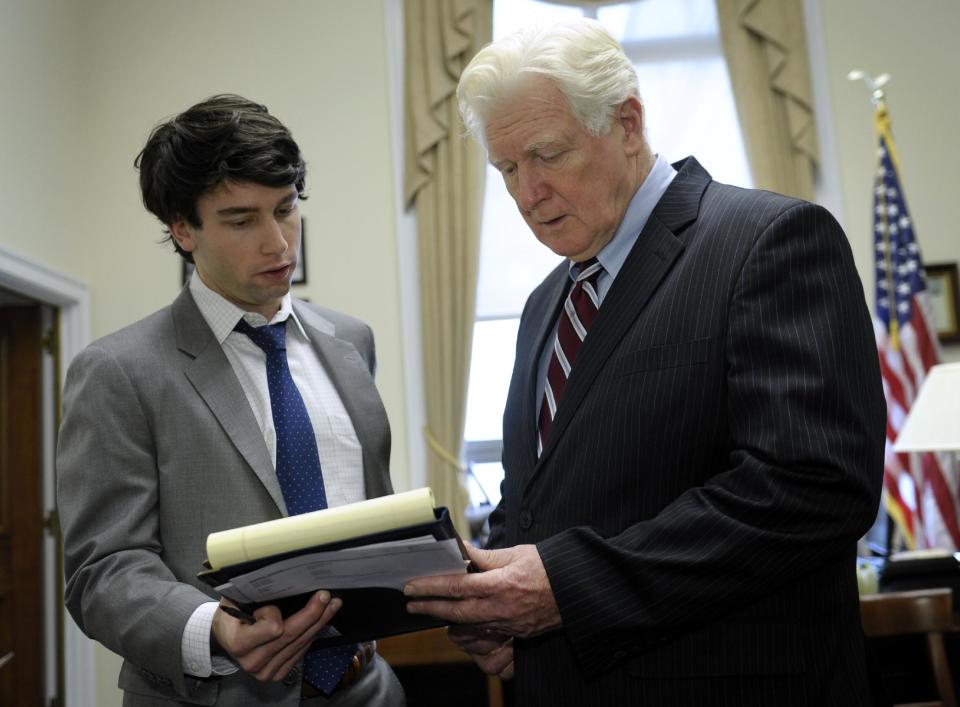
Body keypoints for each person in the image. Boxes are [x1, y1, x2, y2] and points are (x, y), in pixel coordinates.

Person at [403, 18, 887, 706]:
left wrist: (567, 587)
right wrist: (491, 599)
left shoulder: (768, 242)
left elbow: (812, 486)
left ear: (627, 123)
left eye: (547, 154)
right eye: (507, 168)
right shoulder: (546, 303)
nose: (526, 193)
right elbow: (538, 507)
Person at [57, 95, 405, 706]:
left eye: (287, 209)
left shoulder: (352, 342)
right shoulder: (118, 372)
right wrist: (211, 629)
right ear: (182, 228)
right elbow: (102, 572)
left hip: (369, 688)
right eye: (242, 220)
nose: (278, 243)